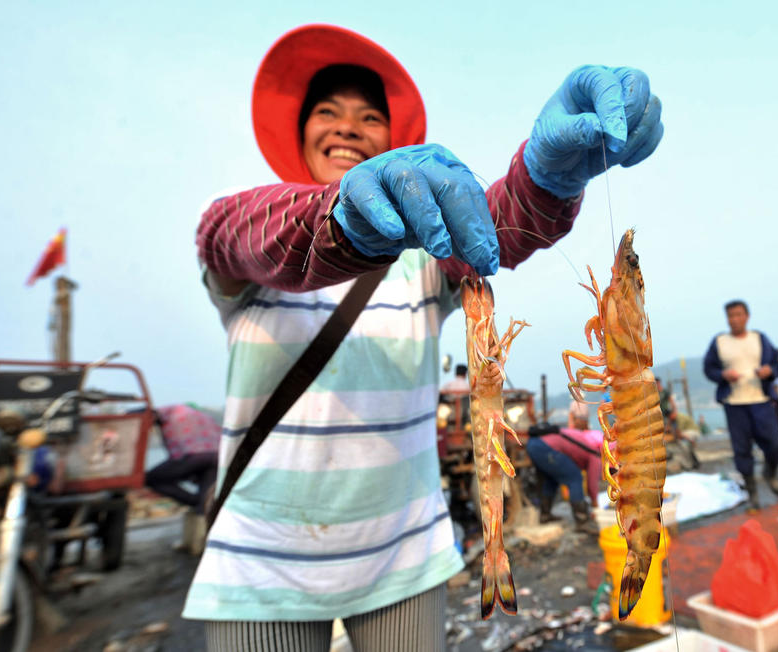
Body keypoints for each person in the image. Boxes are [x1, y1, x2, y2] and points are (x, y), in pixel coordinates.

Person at [184, 24, 663, 651]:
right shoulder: (247, 227)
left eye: (368, 117)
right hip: (259, 564)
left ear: (391, 137)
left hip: (406, 558)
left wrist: (547, 180)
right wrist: (339, 221)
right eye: (327, 113)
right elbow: (239, 234)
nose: (348, 128)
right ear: (300, 132)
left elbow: (495, 227)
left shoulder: (422, 260)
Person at [703, 300, 778, 511]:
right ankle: (752, 493)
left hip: (761, 401)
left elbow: (776, 365)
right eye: (730, 316)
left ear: (747, 316)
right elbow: (708, 368)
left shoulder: (760, 339)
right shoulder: (719, 342)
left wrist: (769, 371)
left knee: (776, 444)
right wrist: (723, 375)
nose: (735, 319)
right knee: (742, 450)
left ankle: (770, 473)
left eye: (739, 314)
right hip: (735, 404)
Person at [524, 400, 604, 535]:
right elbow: (591, 484)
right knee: (575, 477)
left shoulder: (587, 439)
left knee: (552, 478)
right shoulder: (595, 454)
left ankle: (545, 515)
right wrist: (595, 506)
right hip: (545, 447)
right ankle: (582, 521)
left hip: (534, 444)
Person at [145, 404, 220, 514]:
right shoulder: (200, 415)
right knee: (205, 502)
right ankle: (201, 509)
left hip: (194, 456)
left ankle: (193, 500)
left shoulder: (169, 413)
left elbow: (146, 415)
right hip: (216, 456)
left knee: (150, 478)